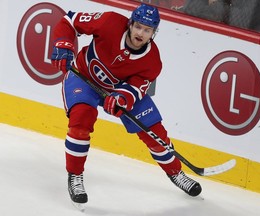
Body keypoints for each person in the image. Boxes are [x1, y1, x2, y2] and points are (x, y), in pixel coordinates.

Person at [51, 3, 202, 205]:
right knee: (80, 123)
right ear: (130, 24)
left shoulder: (152, 61)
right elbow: (70, 20)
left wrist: (122, 97)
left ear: (153, 33)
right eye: (138, 26)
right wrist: (63, 43)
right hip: (83, 77)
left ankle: (175, 173)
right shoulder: (109, 22)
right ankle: (75, 176)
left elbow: (137, 87)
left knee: (154, 131)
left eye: (147, 30)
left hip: (117, 90)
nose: (141, 33)